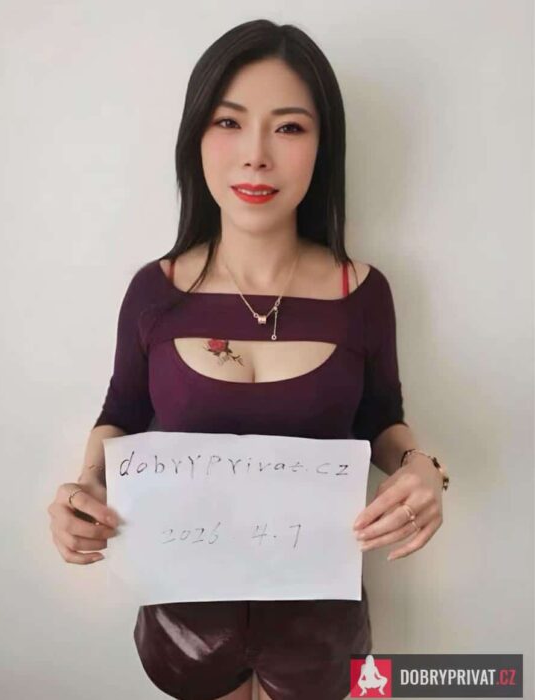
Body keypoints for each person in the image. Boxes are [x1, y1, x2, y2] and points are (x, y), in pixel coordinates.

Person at [47, 18, 449, 700]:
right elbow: (123, 414)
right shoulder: (155, 292)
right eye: (229, 122)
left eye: (289, 127)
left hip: (324, 632)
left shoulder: (363, 292)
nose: (256, 155)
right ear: (196, 137)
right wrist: (83, 490)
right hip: (181, 628)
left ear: (323, 146)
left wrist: (422, 469)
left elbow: (381, 417)